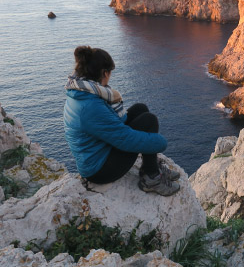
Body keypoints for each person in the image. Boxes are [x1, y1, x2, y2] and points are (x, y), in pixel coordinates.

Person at [63, 46, 180, 196]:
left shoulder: (82, 91)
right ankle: (152, 179)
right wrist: (160, 142)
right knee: (149, 121)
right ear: (104, 73)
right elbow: (125, 139)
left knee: (140, 109)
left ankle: (150, 167)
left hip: (98, 153)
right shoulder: (90, 106)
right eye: (110, 73)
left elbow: (116, 121)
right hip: (99, 170)